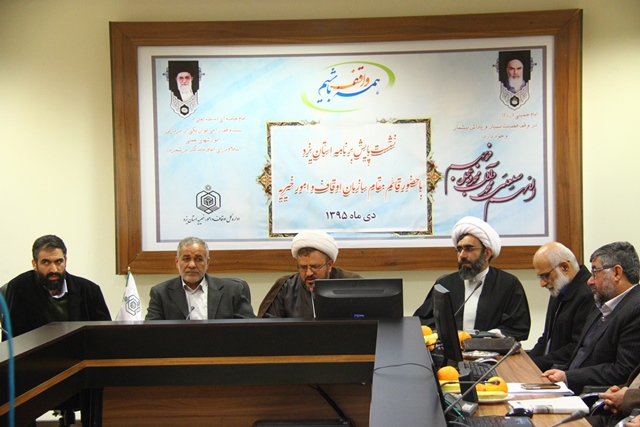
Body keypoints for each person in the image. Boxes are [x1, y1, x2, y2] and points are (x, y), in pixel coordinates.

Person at [541, 241, 640, 395]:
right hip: (567, 387)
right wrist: (561, 373)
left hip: (594, 397)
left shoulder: (635, 309)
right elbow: (581, 354)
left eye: (595, 272)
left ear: (616, 273)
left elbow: (623, 370)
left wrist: (568, 377)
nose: (589, 281)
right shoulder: (600, 305)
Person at [413, 216, 531, 341]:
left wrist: (485, 337)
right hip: (452, 350)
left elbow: (519, 328)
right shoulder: (444, 284)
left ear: (487, 253)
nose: (462, 255)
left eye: (469, 249)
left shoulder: (508, 284)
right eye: (459, 249)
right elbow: (423, 321)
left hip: (491, 351)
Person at [4, 234, 111, 338]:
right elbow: (10, 339)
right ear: (34, 264)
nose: (53, 269)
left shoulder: (90, 291)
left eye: (58, 261)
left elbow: (105, 335)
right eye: (46, 262)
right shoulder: (19, 288)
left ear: (65, 261)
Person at [145, 236, 255, 320]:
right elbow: (150, 333)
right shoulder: (160, 293)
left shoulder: (232, 291)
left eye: (198, 259)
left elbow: (250, 329)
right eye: (186, 259)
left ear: (207, 262)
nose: (192, 265)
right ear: (177, 262)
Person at [258, 230, 361, 318]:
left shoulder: (352, 284)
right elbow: (267, 328)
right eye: (303, 267)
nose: (308, 273)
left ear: (329, 265)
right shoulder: (286, 287)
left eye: (315, 267)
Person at [528, 242, 593, 371]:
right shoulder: (559, 289)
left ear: (564, 267)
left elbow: (577, 347)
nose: (542, 283)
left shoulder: (588, 295)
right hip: (549, 368)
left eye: (545, 275)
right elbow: (547, 337)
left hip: (566, 374)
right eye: (540, 277)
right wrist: (527, 362)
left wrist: (534, 365)